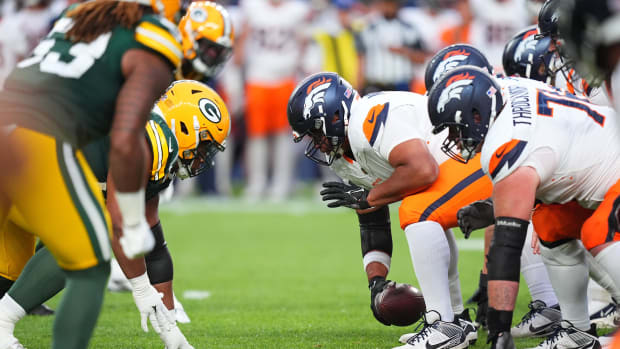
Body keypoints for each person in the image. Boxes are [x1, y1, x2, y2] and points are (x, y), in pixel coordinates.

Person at [0, 0, 183, 348]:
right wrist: (130, 222)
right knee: (90, 260)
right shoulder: (154, 37)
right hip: (37, 136)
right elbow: (126, 139)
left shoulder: (78, 17)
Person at [288, 71, 488, 349]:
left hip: (480, 155)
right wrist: (376, 282)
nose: (318, 143)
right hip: (457, 161)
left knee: (417, 211)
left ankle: (444, 325)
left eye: (316, 132)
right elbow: (372, 221)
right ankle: (455, 320)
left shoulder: (365, 121)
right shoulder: (345, 155)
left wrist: (370, 196)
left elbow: (422, 170)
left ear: (336, 115)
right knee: (427, 213)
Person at [427, 66, 620, 349]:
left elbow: (506, 246)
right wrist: (496, 205)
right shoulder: (506, 88)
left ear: (477, 115)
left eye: (455, 128)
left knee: (599, 231)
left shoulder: (506, 143)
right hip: (604, 162)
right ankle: (577, 333)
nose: (454, 139)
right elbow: (545, 153)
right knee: (550, 223)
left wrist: (499, 328)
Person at [235, 0, 310, 201]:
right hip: (257, 76)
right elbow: (243, 37)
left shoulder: (297, 10)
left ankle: (281, 183)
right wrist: (239, 57)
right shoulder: (252, 7)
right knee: (256, 135)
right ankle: (257, 183)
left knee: (284, 134)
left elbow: (304, 40)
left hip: (286, 78)